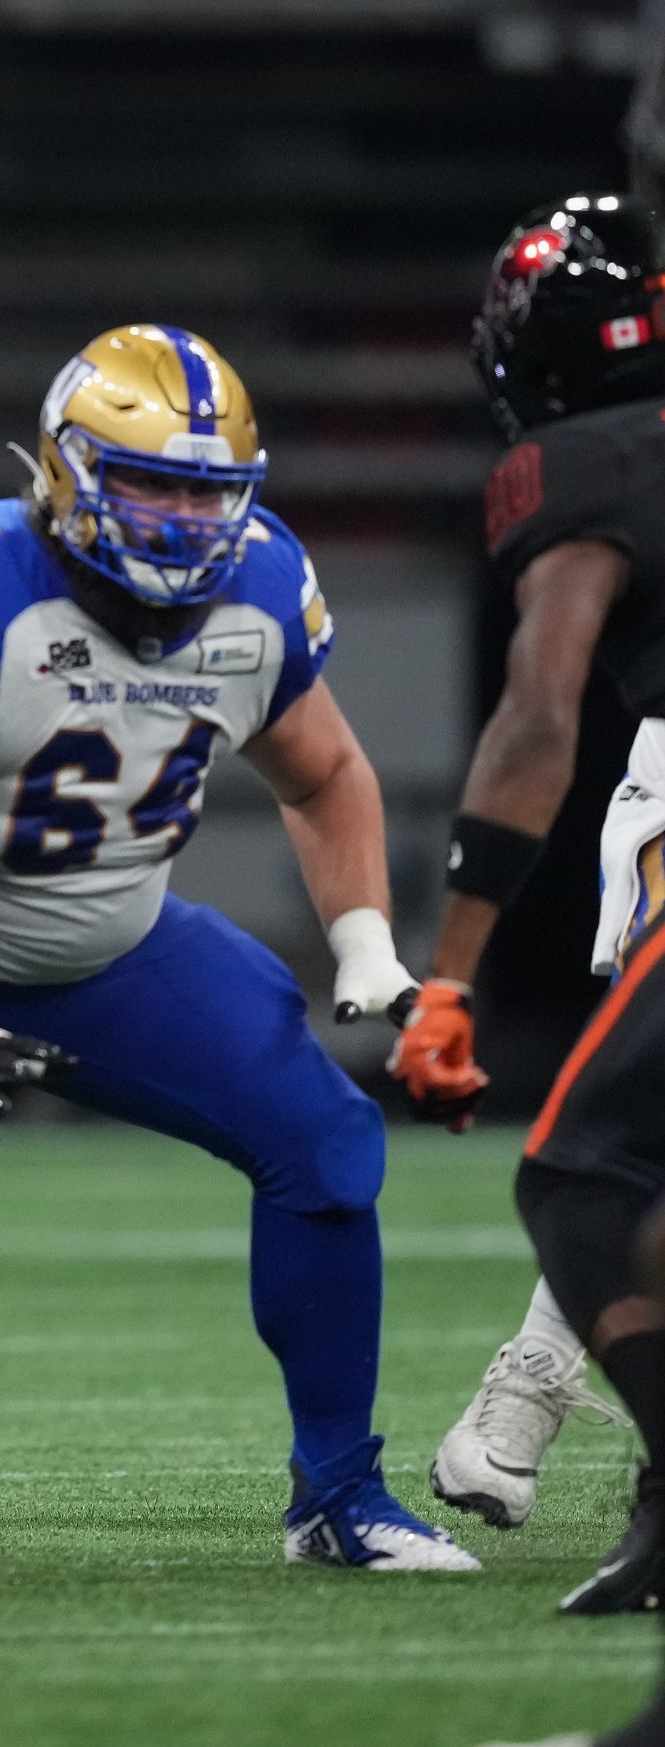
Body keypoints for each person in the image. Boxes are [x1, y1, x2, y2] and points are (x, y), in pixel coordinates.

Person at [0, 324, 478, 1574]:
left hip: (104, 937)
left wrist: (364, 947)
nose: (185, 519)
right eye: (151, 483)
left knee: (325, 1144)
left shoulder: (257, 597)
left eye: (209, 491)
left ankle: (338, 1496)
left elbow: (329, 771)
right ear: (67, 471)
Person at [399, 195, 665, 1617]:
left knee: (592, 1164)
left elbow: (532, 720)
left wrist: (449, 971)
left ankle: (542, 1401)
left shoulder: (582, 461)